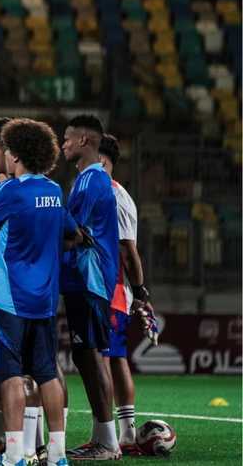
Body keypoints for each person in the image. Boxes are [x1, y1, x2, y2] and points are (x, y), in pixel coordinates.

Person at [0, 118, 82, 466]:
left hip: (9, 300)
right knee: (47, 372)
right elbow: (74, 235)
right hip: (45, 300)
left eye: (1, 150)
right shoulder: (52, 190)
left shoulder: (10, 191)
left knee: (11, 376)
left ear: (15, 156)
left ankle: (16, 454)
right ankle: (58, 454)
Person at [60, 115, 121, 460]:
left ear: (84, 140)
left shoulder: (91, 181)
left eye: (67, 139)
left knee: (92, 354)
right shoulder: (87, 179)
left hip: (90, 278)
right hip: (85, 278)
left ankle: (108, 441)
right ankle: (102, 435)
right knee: (86, 354)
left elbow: (75, 234)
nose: (63, 144)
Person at [98, 134, 153, 455]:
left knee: (105, 361)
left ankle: (110, 438)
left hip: (112, 293)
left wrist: (141, 291)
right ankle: (126, 435)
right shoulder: (102, 191)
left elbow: (129, 251)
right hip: (110, 291)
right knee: (114, 360)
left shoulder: (115, 197)